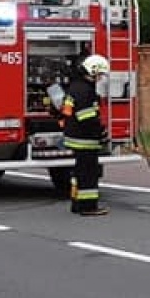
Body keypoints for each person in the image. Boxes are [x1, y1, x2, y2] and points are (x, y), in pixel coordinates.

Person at [58, 53, 110, 217]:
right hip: (85, 140)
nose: (101, 78)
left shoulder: (75, 87)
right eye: (100, 74)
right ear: (93, 71)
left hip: (75, 137)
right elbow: (86, 118)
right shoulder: (86, 91)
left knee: (79, 174)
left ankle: (77, 204)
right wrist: (100, 132)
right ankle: (88, 206)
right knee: (89, 174)